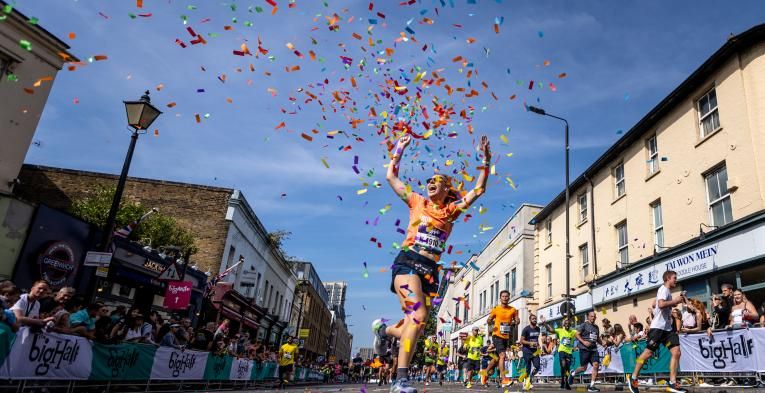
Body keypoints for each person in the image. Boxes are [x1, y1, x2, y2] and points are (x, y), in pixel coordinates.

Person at [372, 134, 491, 393]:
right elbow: (391, 177)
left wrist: (485, 159)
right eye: (428, 181)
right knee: (419, 315)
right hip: (407, 262)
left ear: (447, 188)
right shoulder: (417, 202)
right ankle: (400, 380)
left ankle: (385, 331)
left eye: (436, 181)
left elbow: (478, 190)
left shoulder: (451, 212)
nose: (429, 183)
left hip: (430, 271)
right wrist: (399, 149)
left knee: (414, 323)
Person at [627, 270, 687, 393]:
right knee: (647, 354)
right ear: (667, 279)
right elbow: (660, 304)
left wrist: (677, 302)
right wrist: (675, 301)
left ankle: (672, 382)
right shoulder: (663, 289)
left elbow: (663, 305)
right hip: (658, 329)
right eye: (674, 278)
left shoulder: (668, 292)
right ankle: (633, 378)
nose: (676, 280)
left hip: (667, 330)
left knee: (676, 352)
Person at [485, 290, 518, 388]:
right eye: (503, 296)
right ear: (500, 298)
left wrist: (517, 321)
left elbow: (517, 320)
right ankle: (504, 379)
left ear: (509, 298)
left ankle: (485, 374)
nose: (505, 298)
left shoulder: (513, 310)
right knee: (502, 355)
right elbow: (488, 320)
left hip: (506, 337)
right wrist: (490, 320)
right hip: (497, 335)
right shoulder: (496, 309)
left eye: (507, 296)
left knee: (496, 359)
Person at [540, 316, 577, 390]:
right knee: (563, 365)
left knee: (567, 368)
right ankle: (563, 381)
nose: (567, 324)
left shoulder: (573, 332)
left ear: (570, 324)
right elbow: (551, 330)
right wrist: (545, 323)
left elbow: (580, 335)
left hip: (569, 352)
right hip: (561, 350)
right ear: (563, 324)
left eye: (568, 323)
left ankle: (564, 381)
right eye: (565, 323)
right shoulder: (560, 330)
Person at [572, 311, 603, 392]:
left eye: (594, 316)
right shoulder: (584, 325)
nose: (593, 318)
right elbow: (577, 334)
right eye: (591, 316)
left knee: (596, 365)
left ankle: (592, 386)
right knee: (583, 368)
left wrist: (603, 343)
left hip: (593, 349)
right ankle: (573, 373)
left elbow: (597, 338)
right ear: (588, 317)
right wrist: (584, 342)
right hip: (584, 349)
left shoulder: (596, 327)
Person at [520, 314, 542, 391]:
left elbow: (536, 340)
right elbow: (521, 341)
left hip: (535, 351)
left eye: (535, 319)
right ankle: (526, 382)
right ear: (530, 320)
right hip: (527, 351)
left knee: (537, 366)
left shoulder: (538, 329)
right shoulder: (526, 329)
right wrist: (530, 343)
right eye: (533, 319)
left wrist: (538, 345)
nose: (535, 320)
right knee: (528, 368)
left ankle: (531, 377)